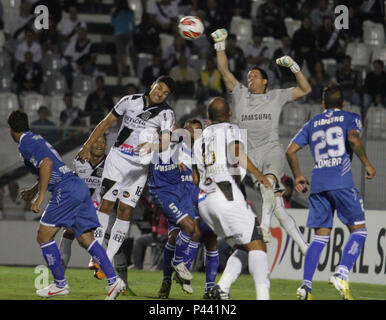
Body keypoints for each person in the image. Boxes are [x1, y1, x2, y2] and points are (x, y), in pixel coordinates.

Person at [211, 28, 310, 255]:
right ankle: (304, 247)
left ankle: (264, 228)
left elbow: (306, 89)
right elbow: (224, 70)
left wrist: (294, 66)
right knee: (274, 201)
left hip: (272, 149)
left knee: (269, 186)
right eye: (249, 76)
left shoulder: (276, 96)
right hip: (250, 156)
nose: (250, 78)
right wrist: (220, 45)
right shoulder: (240, 94)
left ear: (265, 81)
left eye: (255, 76)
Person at [7, 110, 125, 299]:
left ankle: (60, 284)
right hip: (77, 185)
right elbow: (48, 165)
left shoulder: (25, 143)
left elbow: (46, 164)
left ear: (10, 128)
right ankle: (114, 281)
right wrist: (33, 190)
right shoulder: (36, 138)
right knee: (85, 238)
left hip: (66, 189)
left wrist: (40, 196)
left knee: (44, 236)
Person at [76, 76, 176, 279]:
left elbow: (166, 142)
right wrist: (87, 145)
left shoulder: (166, 114)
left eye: (165, 93)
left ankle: (107, 260)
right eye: (159, 88)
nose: (160, 94)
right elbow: (105, 124)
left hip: (139, 168)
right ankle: (96, 256)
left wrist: (152, 146)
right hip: (117, 160)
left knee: (124, 211)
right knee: (106, 205)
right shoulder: (129, 101)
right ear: (152, 85)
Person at [286, 83, 376, 300]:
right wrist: (367, 164)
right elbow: (353, 139)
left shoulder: (312, 122)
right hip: (341, 182)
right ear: (343, 102)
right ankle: (341, 273)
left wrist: (298, 174)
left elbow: (290, 150)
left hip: (318, 184)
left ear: (323, 103)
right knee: (359, 231)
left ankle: (305, 287)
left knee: (320, 237)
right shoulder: (350, 117)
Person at [192, 97, 271, 300]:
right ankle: (264, 297)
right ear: (229, 114)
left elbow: (195, 177)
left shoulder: (199, 138)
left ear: (208, 117)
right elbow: (237, 152)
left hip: (204, 200)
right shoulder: (230, 128)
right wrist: (259, 175)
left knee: (243, 245)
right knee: (257, 243)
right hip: (224, 192)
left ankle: (222, 289)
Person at [157, 119, 219, 299]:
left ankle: (208, 289)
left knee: (210, 239)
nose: (194, 135)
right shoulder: (173, 149)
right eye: (191, 131)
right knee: (175, 236)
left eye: (198, 131)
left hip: (201, 198)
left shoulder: (204, 151)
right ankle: (168, 278)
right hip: (178, 199)